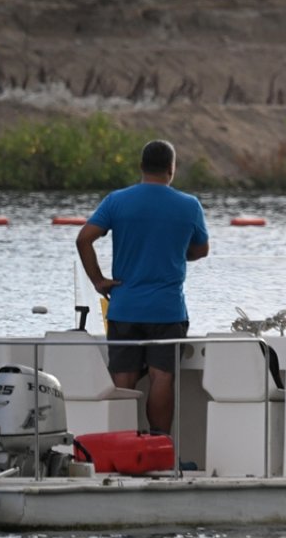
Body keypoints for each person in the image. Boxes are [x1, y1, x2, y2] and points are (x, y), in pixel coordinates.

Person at [75, 139, 209, 434]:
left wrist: (99, 280)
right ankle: (159, 443)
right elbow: (201, 250)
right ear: (171, 169)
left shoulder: (117, 201)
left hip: (124, 307)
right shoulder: (189, 205)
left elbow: (84, 239)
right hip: (167, 310)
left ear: (141, 167)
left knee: (123, 379)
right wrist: (175, 252)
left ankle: (121, 442)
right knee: (162, 378)